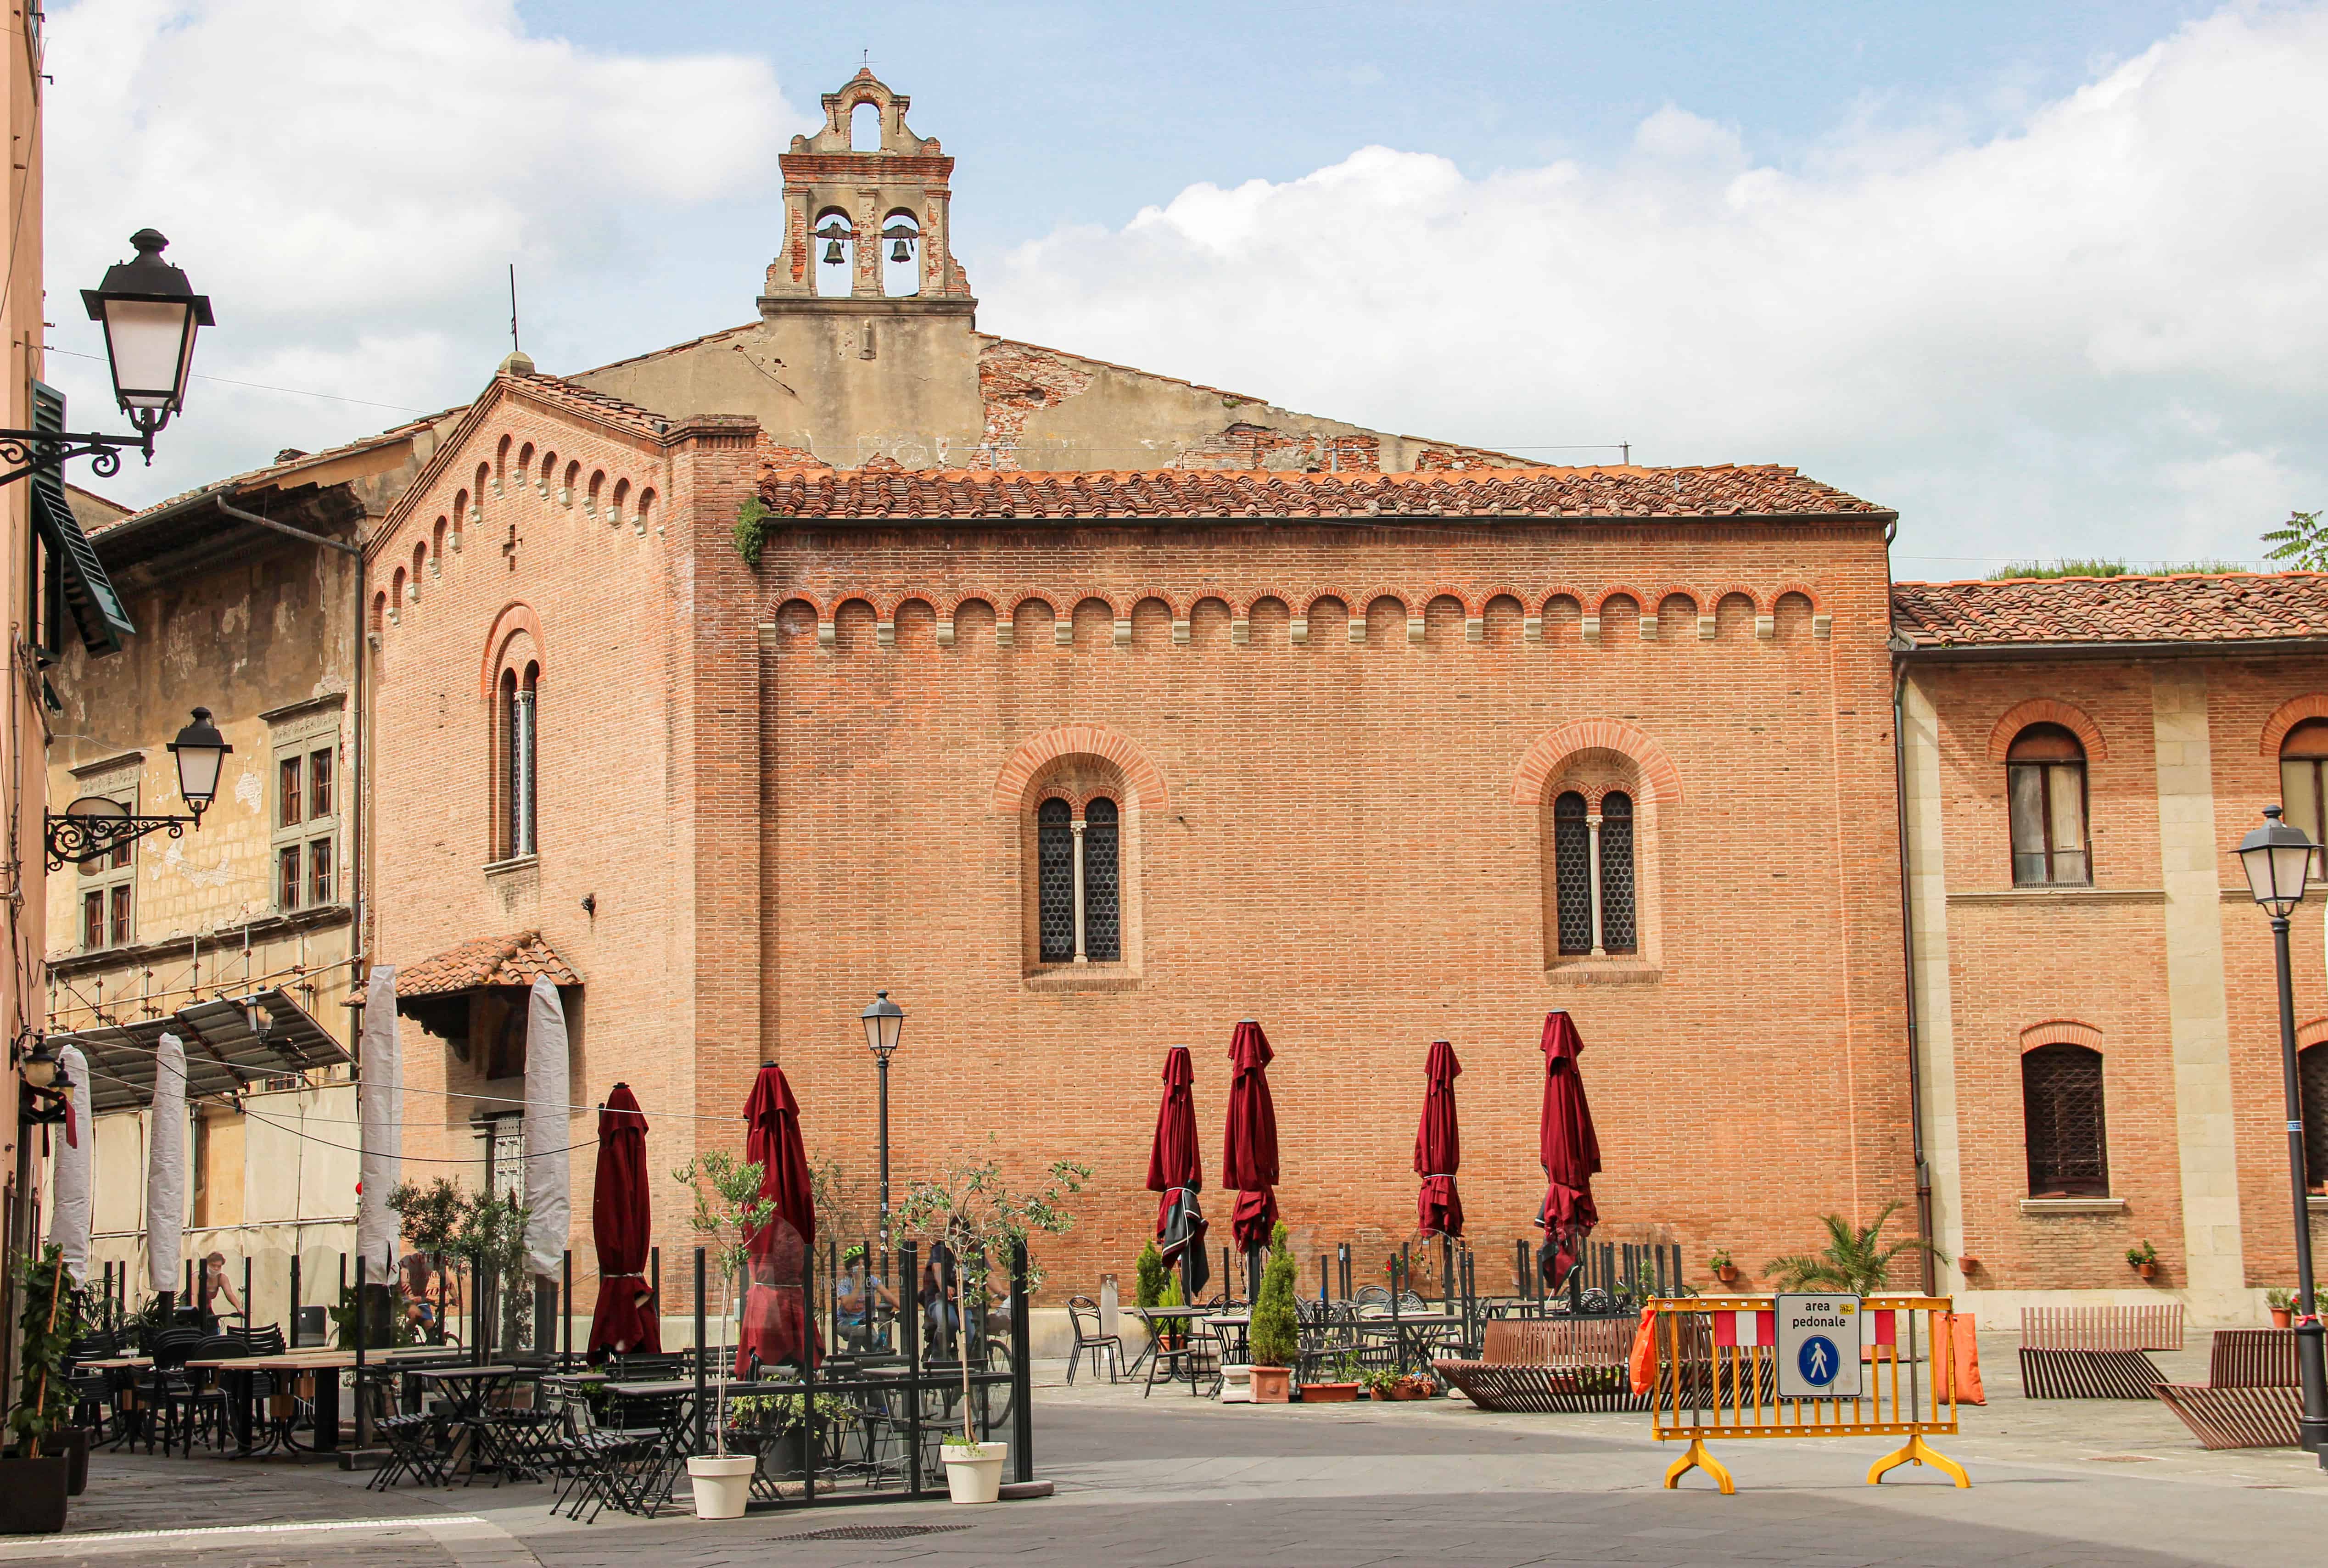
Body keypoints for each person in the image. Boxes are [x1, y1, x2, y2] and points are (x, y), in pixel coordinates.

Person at [834, 1248, 897, 1352]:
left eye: (863, 1264)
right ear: (850, 1268)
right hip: (845, 1324)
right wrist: (858, 1283)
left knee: (879, 1350)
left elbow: (889, 1296)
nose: (861, 1267)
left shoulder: (871, 1280)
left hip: (866, 1325)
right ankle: (851, 1357)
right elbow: (848, 1307)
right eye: (857, 1265)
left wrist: (905, 1310)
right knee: (860, 1330)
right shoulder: (844, 1284)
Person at [199, 1252, 242, 1327]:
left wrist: (240, 1309)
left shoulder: (222, 1278)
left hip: (207, 1309)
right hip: (194, 1310)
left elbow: (230, 1294)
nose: (216, 1269)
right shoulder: (198, 1276)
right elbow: (193, 1295)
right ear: (207, 1264)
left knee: (214, 1328)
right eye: (213, 1265)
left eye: (219, 1266)